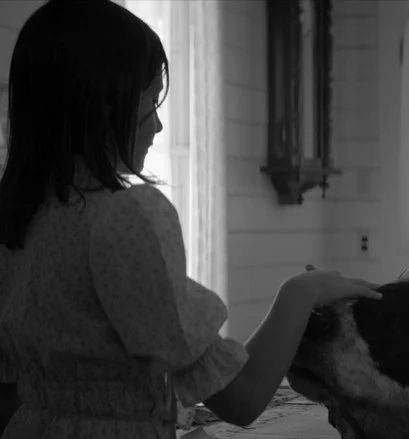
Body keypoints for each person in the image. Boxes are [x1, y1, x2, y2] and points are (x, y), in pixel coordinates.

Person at [0, 1, 381, 438]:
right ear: (107, 107)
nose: (159, 127)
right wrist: (302, 291)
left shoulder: (17, 219)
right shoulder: (124, 218)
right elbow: (242, 398)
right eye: (151, 101)